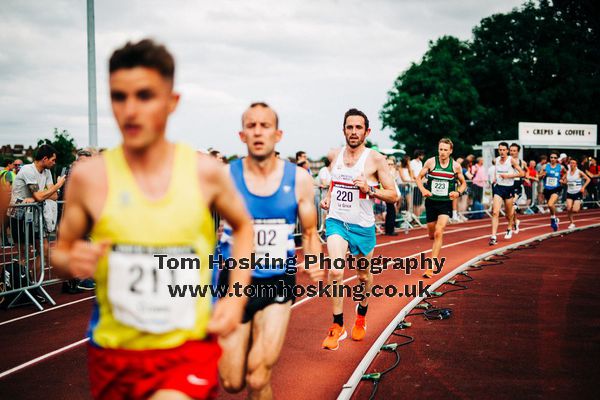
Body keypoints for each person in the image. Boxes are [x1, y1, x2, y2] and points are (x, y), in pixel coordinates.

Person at [50, 39, 254, 400]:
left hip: (186, 349)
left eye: (144, 96)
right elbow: (61, 255)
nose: (130, 110)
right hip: (114, 353)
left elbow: (243, 227)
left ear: (171, 102)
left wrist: (235, 298)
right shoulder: (89, 177)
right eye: (119, 97)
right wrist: (71, 260)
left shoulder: (206, 173)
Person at [218, 102, 324, 400]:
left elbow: (310, 232)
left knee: (258, 374)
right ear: (242, 135)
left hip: (277, 281)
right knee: (231, 381)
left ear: (278, 135)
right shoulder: (226, 177)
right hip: (234, 284)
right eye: (251, 126)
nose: (258, 131)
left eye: (265, 126)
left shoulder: (299, 179)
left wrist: (314, 260)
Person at [319, 108, 398, 350]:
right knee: (335, 270)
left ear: (367, 131)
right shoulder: (336, 154)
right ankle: (337, 324)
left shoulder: (375, 159)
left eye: (358, 127)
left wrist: (370, 189)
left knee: (363, 276)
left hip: (362, 226)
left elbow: (394, 195)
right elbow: (335, 181)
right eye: (349, 127)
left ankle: (361, 312)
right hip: (337, 222)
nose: (353, 132)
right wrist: (329, 197)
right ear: (343, 129)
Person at [9, 144, 65, 272]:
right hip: (18, 213)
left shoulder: (47, 171)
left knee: (44, 249)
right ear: (45, 158)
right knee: (24, 253)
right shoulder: (28, 170)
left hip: (34, 213)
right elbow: (43, 195)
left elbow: (55, 196)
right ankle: (23, 284)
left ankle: (33, 284)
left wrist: (35, 198)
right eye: (53, 160)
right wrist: (58, 185)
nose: (54, 163)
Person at [415, 138, 466, 278]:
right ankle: (433, 237)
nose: (442, 152)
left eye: (445, 150)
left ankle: (431, 267)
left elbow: (463, 183)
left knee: (439, 231)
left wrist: (458, 192)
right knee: (431, 234)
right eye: (440, 149)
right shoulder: (431, 162)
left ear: (450, 151)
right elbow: (418, 178)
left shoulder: (455, 166)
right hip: (431, 202)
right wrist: (423, 190)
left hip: (445, 203)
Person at [489, 142, 523, 245]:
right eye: (500, 150)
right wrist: (495, 177)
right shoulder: (496, 160)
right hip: (499, 188)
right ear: (498, 150)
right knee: (495, 212)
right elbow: (497, 170)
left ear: (507, 151)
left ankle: (509, 227)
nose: (502, 152)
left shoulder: (511, 160)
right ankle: (493, 236)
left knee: (509, 214)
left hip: (509, 189)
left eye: (504, 150)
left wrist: (508, 176)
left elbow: (522, 173)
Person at [539, 150, 565, 231]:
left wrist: (563, 180)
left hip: (556, 188)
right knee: (550, 206)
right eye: (551, 157)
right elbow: (539, 176)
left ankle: (553, 218)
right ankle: (555, 218)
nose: (553, 159)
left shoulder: (561, 167)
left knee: (550, 204)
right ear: (549, 158)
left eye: (555, 158)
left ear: (557, 158)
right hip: (547, 189)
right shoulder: (545, 166)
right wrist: (542, 175)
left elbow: (566, 174)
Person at [562, 158, 590, 228]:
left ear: (576, 164)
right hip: (569, 192)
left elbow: (588, 179)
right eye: (571, 163)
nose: (572, 164)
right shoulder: (567, 172)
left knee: (575, 210)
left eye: (573, 163)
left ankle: (579, 204)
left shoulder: (579, 172)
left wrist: (583, 187)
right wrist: (562, 181)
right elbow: (565, 181)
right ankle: (571, 223)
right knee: (568, 208)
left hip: (577, 192)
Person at [509, 143, 527, 233]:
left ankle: (510, 227)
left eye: (514, 151)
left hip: (517, 186)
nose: (512, 152)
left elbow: (525, 172)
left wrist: (526, 178)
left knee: (512, 204)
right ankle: (516, 221)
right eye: (511, 150)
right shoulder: (506, 161)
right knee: (509, 209)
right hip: (508, 186)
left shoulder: (522, 162)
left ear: (518, 152)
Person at [410, 149, 425, 218]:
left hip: (420, 184)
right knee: (415, 202)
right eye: (422, 154)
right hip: (415, 185)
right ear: (419, 155)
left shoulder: (421, 163)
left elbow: (421, 173)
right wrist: (417, 180)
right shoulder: (412, 162)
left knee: (419, 202)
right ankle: (415, 217)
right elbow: (412, 174)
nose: (423, 156)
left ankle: (417, 217)